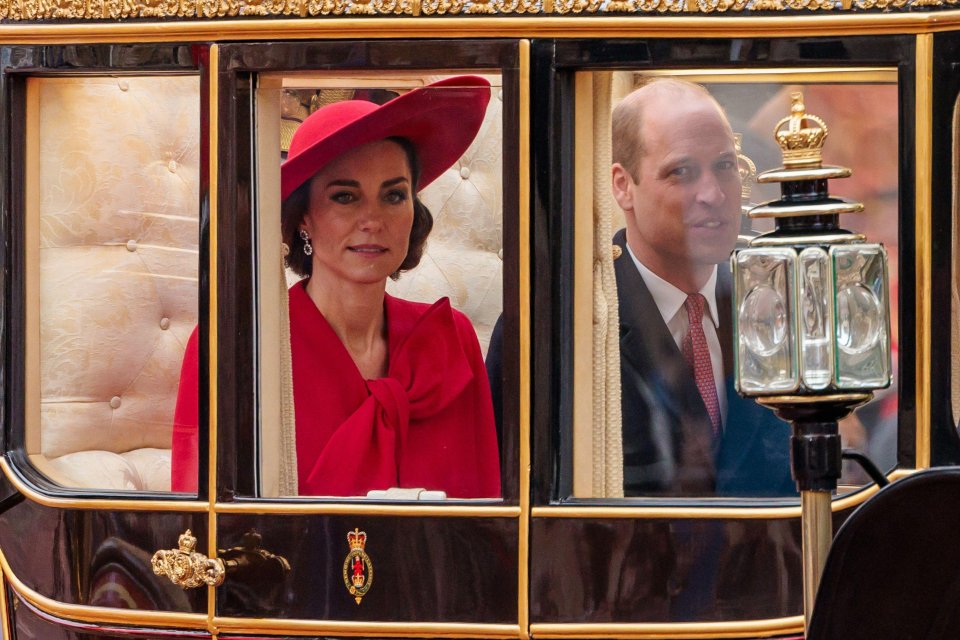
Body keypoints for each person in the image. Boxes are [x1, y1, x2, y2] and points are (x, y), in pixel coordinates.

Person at [171, 76, 501, 498]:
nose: (373, 220)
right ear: (303, 216)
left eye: (394, 196)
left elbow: (486, 515)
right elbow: (201, 527)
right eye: (345, 197)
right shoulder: (232, 348)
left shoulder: (450, 340)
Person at [610, 78, 794, 497]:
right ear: (623, 185)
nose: (713, 194)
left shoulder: (775, 309)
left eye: (726, 166)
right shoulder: (566, 324)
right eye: (683, 172)